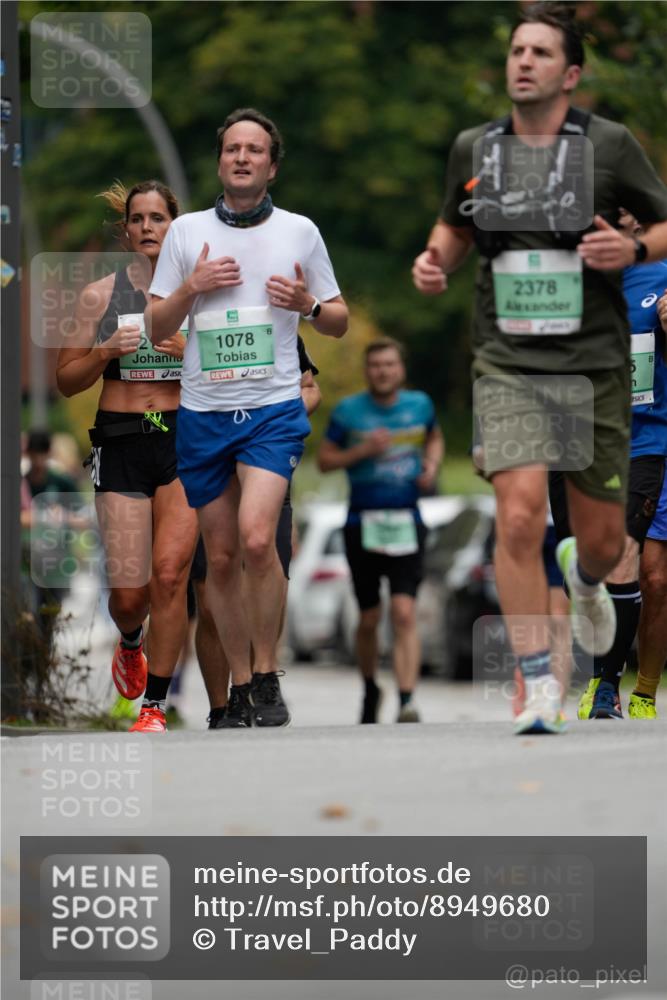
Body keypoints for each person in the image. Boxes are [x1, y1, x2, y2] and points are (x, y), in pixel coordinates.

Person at [412, 1, 667, 735]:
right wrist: (435, 263)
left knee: (597, 541)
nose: (522, 61)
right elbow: (452, 227)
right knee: (517, 512)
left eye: (540, 52)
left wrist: (634, 251)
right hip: (507, 360)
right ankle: (537, 685)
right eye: (516, 50)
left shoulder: (610, 147)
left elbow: (661, 223)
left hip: (593, 365)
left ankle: (584, 577)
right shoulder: (474, 149)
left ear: (570, 73)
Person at [147, 108, 348, 728]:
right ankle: (238, 684)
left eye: (253, 150)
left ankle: (266, 672)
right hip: (205, 412)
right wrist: (192, 287)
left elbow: (339, 320)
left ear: (271, 165)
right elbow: (156, 327)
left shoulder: (300, 232)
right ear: (219, 161)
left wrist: (309, 303)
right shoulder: (185, 233)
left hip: (272, 408)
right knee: (224, 556)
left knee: (261, 538)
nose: (241, 157)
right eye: (231, 148)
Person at [56, 180, 199, 733]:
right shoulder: (98, 296)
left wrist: (190, 351)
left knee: (169, 575)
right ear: (125, 230)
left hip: (181, 434)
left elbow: (230, 371)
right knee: (130, 593)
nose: (146, 228)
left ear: (174, 226)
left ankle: (155, 707)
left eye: (157, 218)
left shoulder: (194, 295)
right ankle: (131, 640)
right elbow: (67, 381)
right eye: (137, 219)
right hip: (121, 437)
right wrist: (102, 351)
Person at [551, 212, 667, 720]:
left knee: (640, 564)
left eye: (628, 220)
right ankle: (603, 672)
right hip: (578, 439)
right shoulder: (568, 276)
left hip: (646, 438)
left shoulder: (663, 274)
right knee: (590, 564)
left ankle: (614, 686)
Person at [194, 337, 322, 728]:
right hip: (212, 451)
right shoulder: (189, 318)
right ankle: (227, 701)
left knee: (267, 563)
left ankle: (263, 678)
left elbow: (311, 388)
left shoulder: (273, 319)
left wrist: (279, 418)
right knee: (216, 579)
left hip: (268, 454)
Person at [318, 338, 444, 724]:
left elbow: (434, 436)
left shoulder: (420, 405)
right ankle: (371, 686)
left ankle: (407, 699)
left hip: (406, 518)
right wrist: (361, 452)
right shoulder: (348, 411)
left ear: (400, 369)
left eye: (389, 364)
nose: (383, 371)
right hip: (362, 521)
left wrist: (432, 466)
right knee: (370, 617)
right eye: (375, 365)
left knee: (404, 612)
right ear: (366, 370)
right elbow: (324, 460)